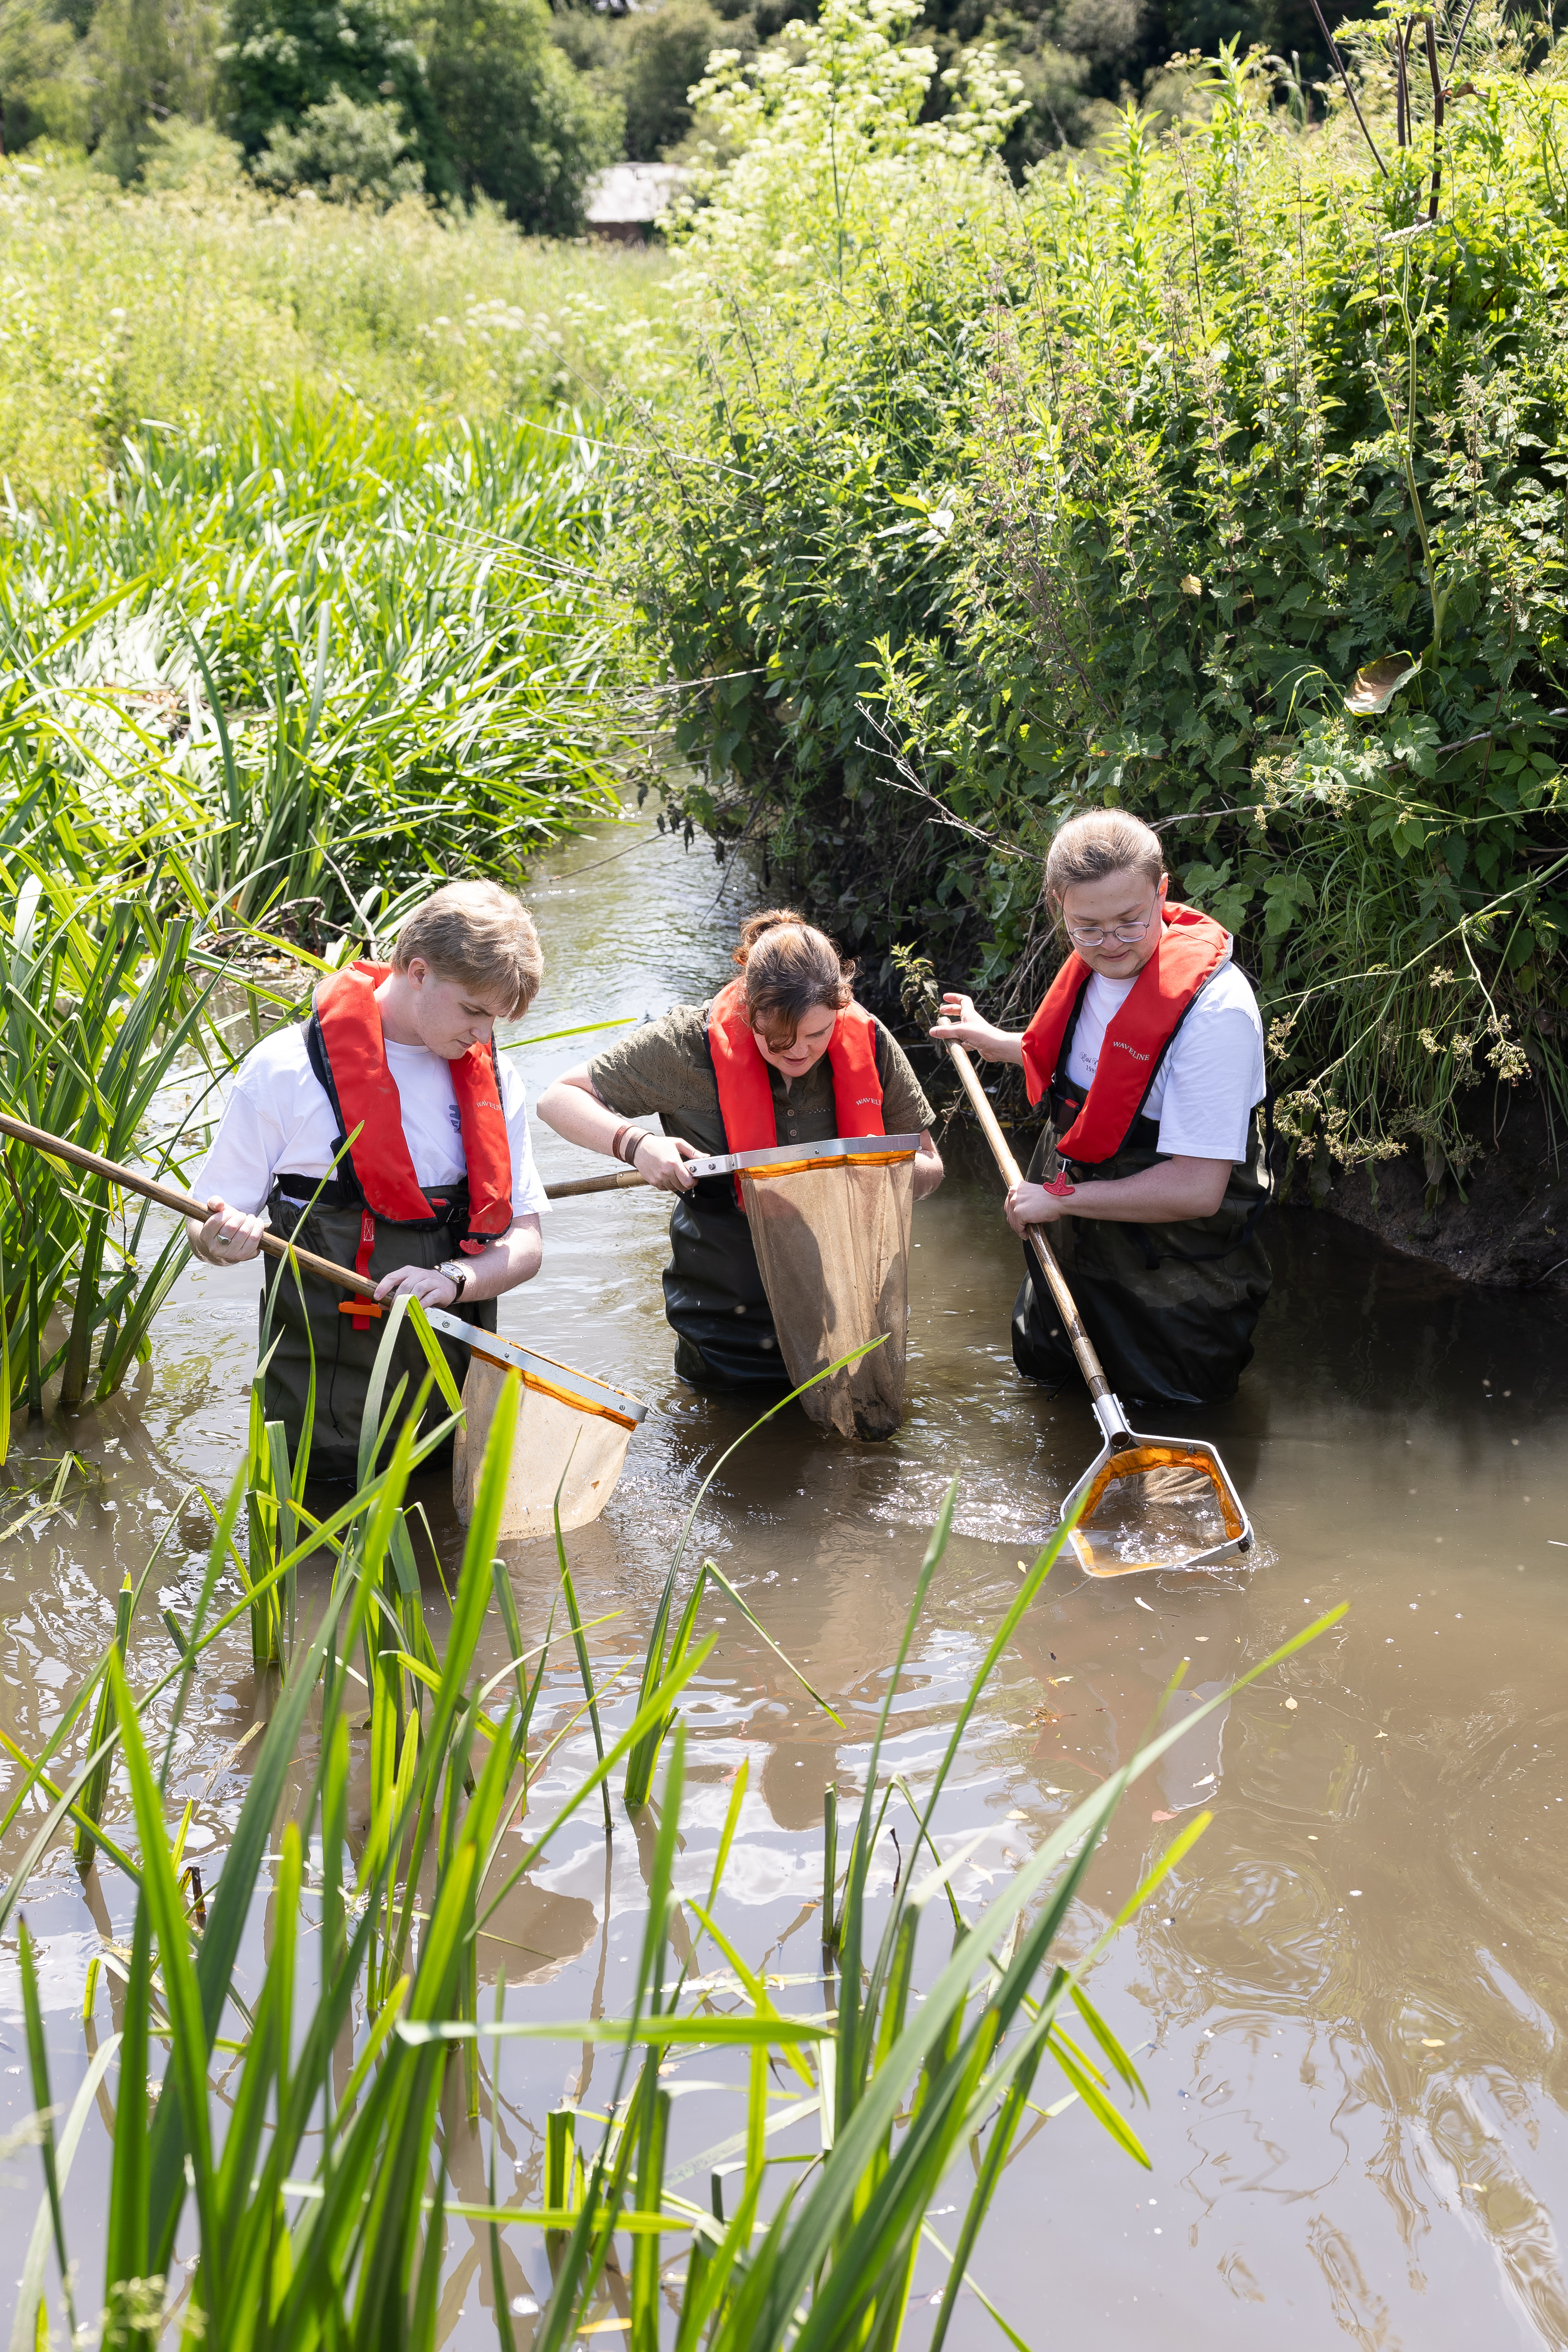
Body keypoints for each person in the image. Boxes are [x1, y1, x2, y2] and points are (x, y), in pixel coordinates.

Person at [186, 880, 550, 1478]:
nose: (483, 1036)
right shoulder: (284, 1069)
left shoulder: (500, 1079)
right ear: (418, 972)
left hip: (450, 1416)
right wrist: (222, 1239)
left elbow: (527, 1246)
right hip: (317, 1429)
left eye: (497, 1019)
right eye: (474, 1011)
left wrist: (457, 1279)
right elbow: (204, 1236)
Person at [933, 809, 1270, 1408]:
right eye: (1087, 927)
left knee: (1169, 1423)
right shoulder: (1093, 968)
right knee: (1046, 1392)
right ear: (1059, 904)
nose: (1110, 944)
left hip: (1171, 1285)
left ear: (1161, 892)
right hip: (1073, 1251)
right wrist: (995, 1042)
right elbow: (1095, 1069)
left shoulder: (1218, 1015)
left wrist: (1060, 1200)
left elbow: (1198, 1188)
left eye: (1130, 923)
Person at [537, 909, 944, 1389]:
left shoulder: (871, 1042)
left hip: (846, 1319)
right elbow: (556, 1100)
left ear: (840, 1005)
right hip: (724, 1330)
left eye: (816, 1035)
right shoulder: (685, 1047)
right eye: (777, 1041)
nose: (798, 1053)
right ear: (748, 1010)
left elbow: (931, 1167)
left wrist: (886, 1169)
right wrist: (637, 1144)